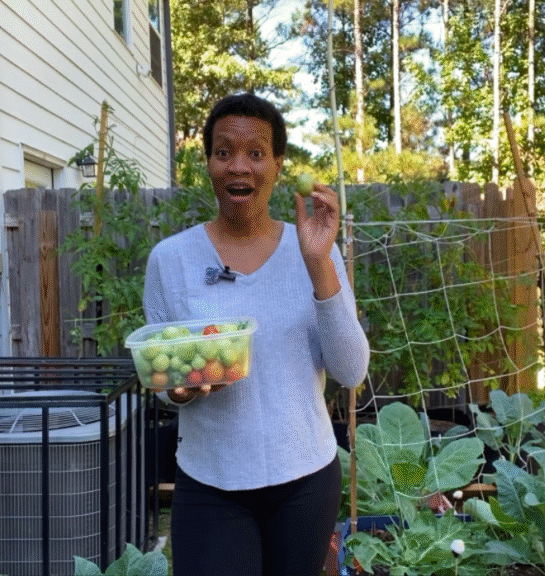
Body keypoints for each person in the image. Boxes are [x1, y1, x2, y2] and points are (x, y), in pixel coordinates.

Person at [143, 93, 370, 576]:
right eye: (224, 152)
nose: (238, 166)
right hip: (210, 481)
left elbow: (351, 370)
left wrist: (318, 263)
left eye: (256, 153)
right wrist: (179, 391)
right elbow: (165, 376)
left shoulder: (315, 250)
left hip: (306, 478)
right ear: (208, 163)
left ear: (278, 163)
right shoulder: (171, 260)